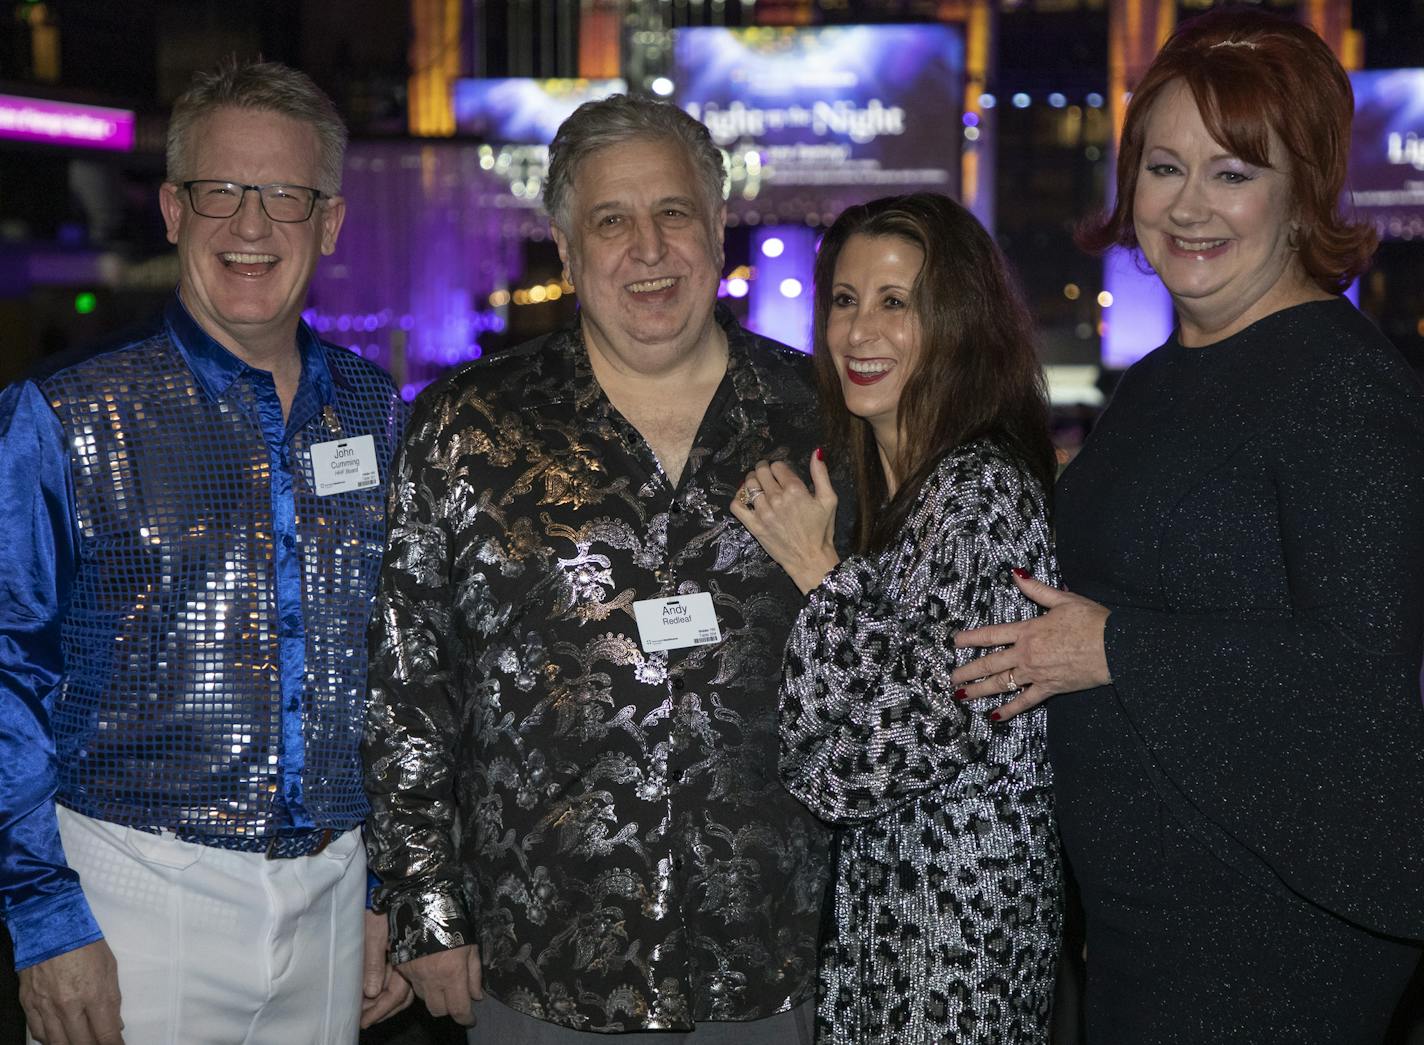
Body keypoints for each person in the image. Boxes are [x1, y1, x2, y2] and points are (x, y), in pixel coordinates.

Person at [951, 10, 1424, 1042]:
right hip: (1149, 923)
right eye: (1164, 168)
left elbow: (1366, 681)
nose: (1187, 206)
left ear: (1299, 190)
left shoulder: (1338, 390)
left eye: (1232, 172)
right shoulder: (1161, 378)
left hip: (1273, 922)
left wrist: (1112, 644)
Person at [363, 94, 833, 1043]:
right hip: (538, 964)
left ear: (716, 229)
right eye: (612, 221)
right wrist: (426, 906)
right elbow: (410, 687)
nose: (648, 249)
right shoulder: (466, 429)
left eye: (673, 214)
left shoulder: (821, 414)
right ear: (569, 252)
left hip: (782, 962)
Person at [0, 60, 411, 1044]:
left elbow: (406, 671)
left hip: (335, 894)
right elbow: (7, 669)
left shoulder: (378, 413)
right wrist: (43, 918)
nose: (253, 225)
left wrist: (389, 885)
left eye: (286, 195)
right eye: (222, 191)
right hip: (137, 890)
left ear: (331, 222)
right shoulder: (62, 414)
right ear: (175, 209)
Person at [730, 192, 1061, 1043]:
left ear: (955, 322)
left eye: (894, 303)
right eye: (844, 300)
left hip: (950, 962)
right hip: (888, 942)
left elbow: (853, 770)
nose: (858, 332)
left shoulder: (980, 495)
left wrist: (816, 569)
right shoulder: (898, 493)